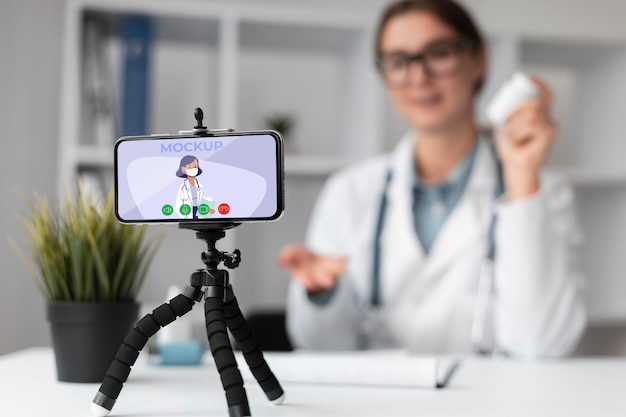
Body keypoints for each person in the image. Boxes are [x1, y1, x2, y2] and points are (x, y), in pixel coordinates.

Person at [278, 0, 586, 358]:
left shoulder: (541, 191)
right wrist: (322, 293)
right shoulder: (349, 192)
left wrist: (521, 179)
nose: (419, 77)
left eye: (438, 53)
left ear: (478, 59)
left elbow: (542, 345)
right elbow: (319, 347)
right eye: (399, 61)